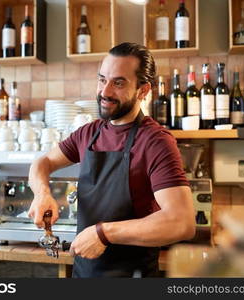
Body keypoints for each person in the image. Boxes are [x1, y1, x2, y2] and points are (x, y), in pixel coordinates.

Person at [28, 42, 195, 278]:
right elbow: (42, 162)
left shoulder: (156, 141)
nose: (105, 92)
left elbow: (181, 222)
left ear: (143, 90)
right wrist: (42, 193)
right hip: (83, 274)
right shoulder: (88, 133)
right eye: (102, 80)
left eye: (118, 83)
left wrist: (104, 233)